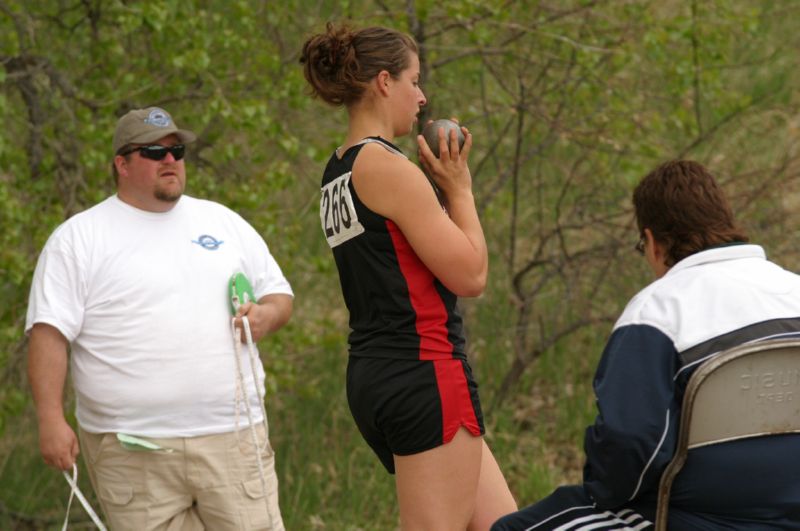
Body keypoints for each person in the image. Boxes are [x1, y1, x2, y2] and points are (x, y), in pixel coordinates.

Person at [492, 160, 800, 530]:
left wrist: (602, 490)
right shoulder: (793, 289)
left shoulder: (658, 311)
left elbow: (631, 446)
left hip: (688, 516)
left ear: (652, 241)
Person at [25, 106, 294, 530]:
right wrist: (50, 419)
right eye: (153, 152)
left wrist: (265, 316)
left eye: (177, 151)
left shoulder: (222, 221)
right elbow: (49, 334)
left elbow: (280, 295)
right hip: (132, 448)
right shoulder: (79, 238)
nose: (170, 160)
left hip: (233, 436)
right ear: (122, 164)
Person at [300, 23, 517, 530]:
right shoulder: (388, 167)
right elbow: (472, 275)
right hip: (423, 373)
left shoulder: (338, 172)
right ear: (382, 82)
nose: (421, 97)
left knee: (505, 524)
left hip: (376, 375)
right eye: (413, 81)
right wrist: (459, 189)